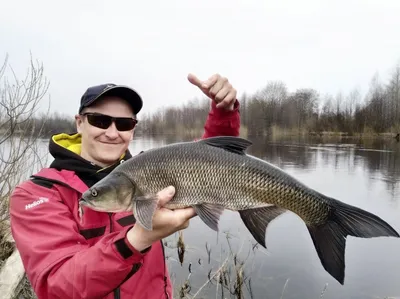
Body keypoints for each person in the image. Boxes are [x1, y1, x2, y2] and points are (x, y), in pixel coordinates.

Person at [9, 73, 241, 299]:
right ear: (79, 123)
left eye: (124, 123)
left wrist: (223, 111)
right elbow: (57, 287)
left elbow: (204, 162)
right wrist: (137, 239)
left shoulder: (149, 171)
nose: (112, 133)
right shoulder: (36, 194)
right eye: (99, 121)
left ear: (133, 129)